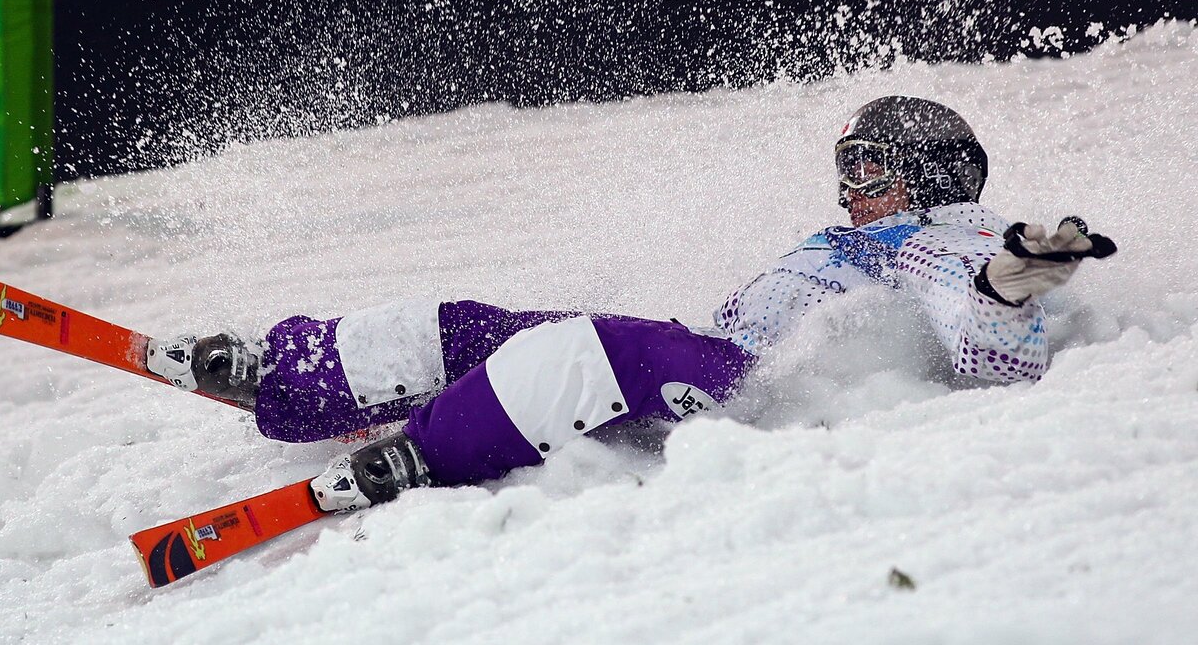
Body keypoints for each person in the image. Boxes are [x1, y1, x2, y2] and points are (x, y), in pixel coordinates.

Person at [148, 96, 1114, 515]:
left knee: (606, 348)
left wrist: (1008, 290)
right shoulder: (845, 240)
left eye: (869, 166)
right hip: (714, 352)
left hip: (762, 395)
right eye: (843, 166)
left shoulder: (959, 239)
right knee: (490, 328)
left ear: (930, 172)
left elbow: (996, 364)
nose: (851, 185)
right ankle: (303, 375)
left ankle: (428, 452)